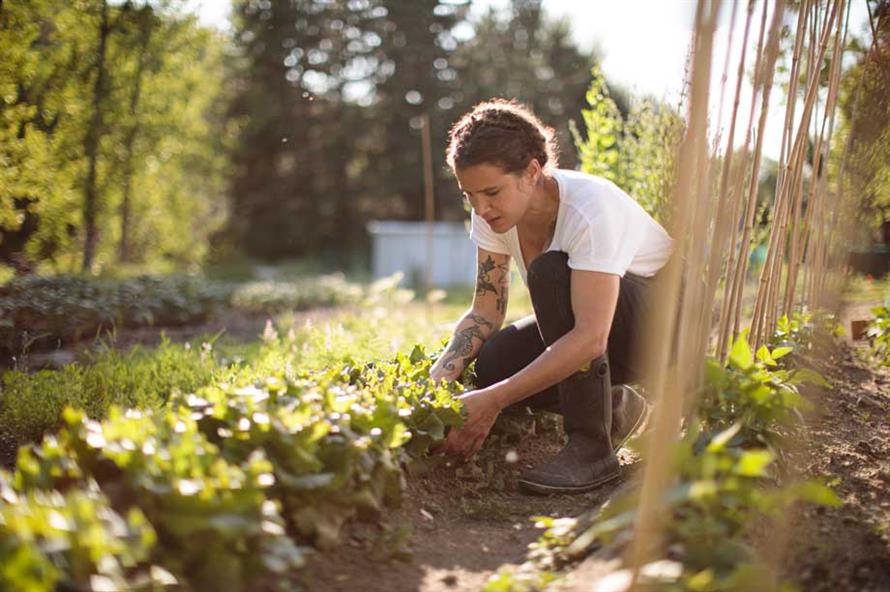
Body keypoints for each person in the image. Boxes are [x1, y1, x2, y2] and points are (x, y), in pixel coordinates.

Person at [429, 99, 675, 494]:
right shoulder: (492, 214)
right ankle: (616, 409)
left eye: (491, 192)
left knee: (550, 274)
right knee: (495, 362)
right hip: (605, 330)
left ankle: (592, 448)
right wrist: (436, 382)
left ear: (531, 172)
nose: (481, 208)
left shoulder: (590, 208)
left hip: (668, 326)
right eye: (470, 195)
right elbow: (485, 312)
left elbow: (591, 337)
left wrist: (492, 402)